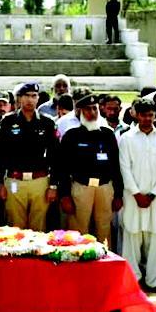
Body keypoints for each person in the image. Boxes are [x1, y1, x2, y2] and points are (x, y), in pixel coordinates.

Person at [118, 98, 156, 292]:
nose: (147, 119)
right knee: (132, 234)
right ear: (136, 115)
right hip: (133, 196)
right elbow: (124, 168)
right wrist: (136, 193)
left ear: (155, 116)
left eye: (150, 115)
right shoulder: (127, 138)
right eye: (143, 115)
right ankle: (133, 279)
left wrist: (153, 193)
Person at [57, 94, 122, 243]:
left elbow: (115, 166)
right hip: (81, 187)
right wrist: (65, 195)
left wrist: (118, 194)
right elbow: (63, 169)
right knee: (78, 232)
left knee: (104, 230)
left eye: (94, 108)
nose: (92, 113)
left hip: (104, 188)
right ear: (80, 112)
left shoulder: (107, 134)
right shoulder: (71, 136)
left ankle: (104, 257)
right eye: (87, 109)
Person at [0, 82, 58, 232]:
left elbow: (55, 156)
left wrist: (53, 186)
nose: (30, 99)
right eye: (26, 96)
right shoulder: (8, 121)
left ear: (38, 98)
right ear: (19, 98)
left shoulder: (47, 122)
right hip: (14, 181)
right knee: (15, 228)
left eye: (34, 96)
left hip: (40, 181)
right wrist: (0, 184)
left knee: (39, 228)